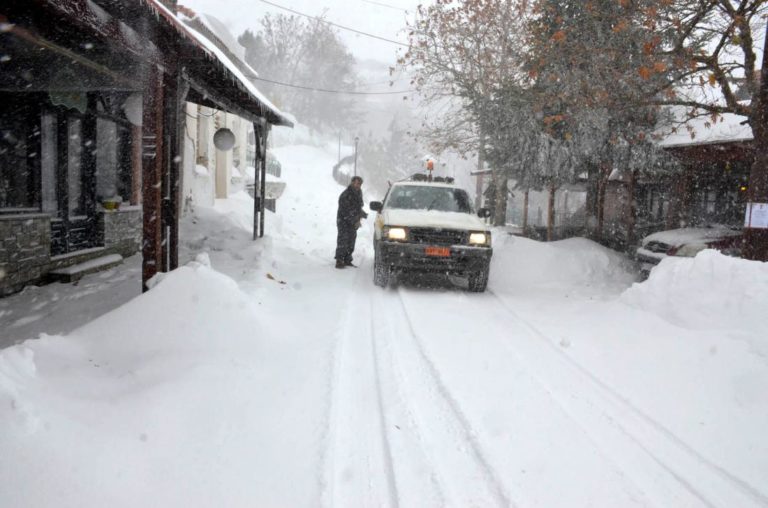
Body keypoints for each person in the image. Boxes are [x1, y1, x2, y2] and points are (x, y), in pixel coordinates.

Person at [335, 176, 368, 268]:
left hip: (353, 221)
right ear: (352, 183)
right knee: (343, 240)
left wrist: (362, 214)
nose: (358, 185)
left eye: (360, 184)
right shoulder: (346, 194)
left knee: (351, 240)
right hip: (343, 221)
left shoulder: (358, 193)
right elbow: (345, 211)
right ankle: (339, 260)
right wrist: (354, 220)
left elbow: (357, 207)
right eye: (357, 183)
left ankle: (347, 260)